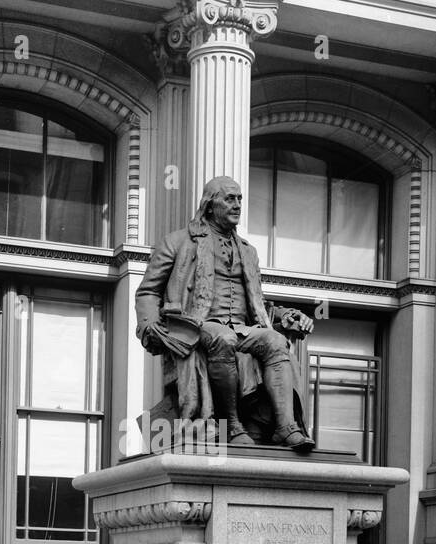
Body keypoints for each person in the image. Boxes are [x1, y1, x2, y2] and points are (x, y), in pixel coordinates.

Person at [135, 176, 315, 450]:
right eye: (229, 199)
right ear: (209, 205)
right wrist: (149, 325)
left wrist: (283, 317)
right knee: (223, 339)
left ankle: (286, 427)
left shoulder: (249, 251)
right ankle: (231, 424)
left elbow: (256, 303)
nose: (237, 205)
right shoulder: (177, 242)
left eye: (240, 199)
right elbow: (148, 291)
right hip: (197, 323)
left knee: (276, 342)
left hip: (243, 327)